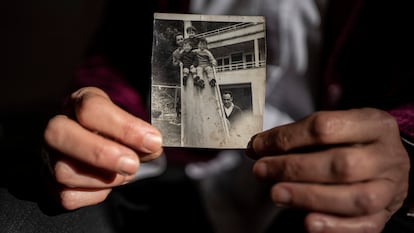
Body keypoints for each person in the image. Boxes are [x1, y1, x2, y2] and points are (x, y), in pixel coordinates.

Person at [2, 1, 414, 233]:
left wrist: (407, 150)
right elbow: (121, 55)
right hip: (171, 178)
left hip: (341, 191)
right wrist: (102, 116)